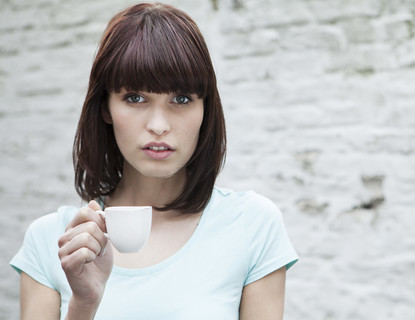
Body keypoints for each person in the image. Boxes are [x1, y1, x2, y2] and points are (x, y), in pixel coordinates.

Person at [10, 2, 298, 319]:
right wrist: (85, 303)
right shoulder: (52, 241)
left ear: (206, 110)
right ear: (105, 107)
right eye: (135, 98)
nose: (158, 124)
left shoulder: (252, 225)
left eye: (181, 99)